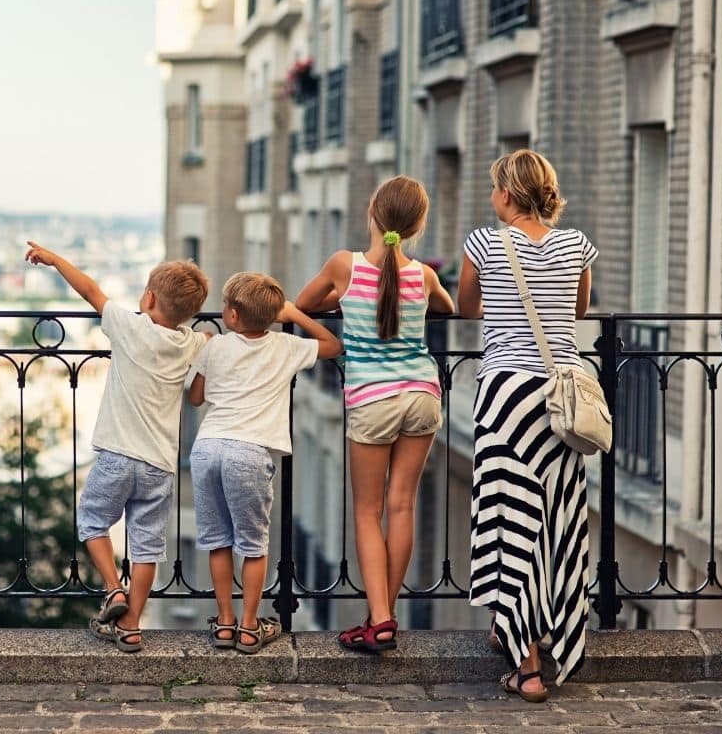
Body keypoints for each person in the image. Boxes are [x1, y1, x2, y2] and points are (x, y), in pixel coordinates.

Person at [457, 149, 597, 702]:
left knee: (508, 516)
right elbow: (580, 311)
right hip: (561, 399)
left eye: (496, 189)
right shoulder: (577, 245)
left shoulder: (485, 243)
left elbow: (469, 308)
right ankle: (542, 635)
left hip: (506, 397)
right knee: (553, 522)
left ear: (508, 196)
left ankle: (528, 666)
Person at [25, 241, 209, 652]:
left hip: (116, 453)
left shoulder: (129, 325)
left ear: (148, 297)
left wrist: (55, 260)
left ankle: (113, 588)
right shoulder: (193, 343)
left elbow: (90, 290)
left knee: (92, 522)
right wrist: (207, 340)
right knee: (147, 545)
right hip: (160, 463)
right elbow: (197, 396)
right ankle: (131, 626)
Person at [296, 176, 454, 652]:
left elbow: (303, 305)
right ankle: (385, 614)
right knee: (403, 504)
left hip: (371, 399)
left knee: (368, 511)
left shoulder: (343, 265)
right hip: (423, 394)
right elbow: (446, 306)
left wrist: (344, 298)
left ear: (372, 210)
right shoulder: (424, 274)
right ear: (418, 225)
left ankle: (380, 618)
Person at [188, 272, 341, 653]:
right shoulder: (286, 346)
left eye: (225, 306)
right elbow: (332, 344)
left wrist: (205, 353)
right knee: (253, 545)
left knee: (217, 540)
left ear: (234, 316)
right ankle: (249, 625)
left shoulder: (215, 346)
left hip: (207, 447)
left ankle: (224, 623)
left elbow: (195, 398)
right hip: (248, 451)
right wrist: (294, 314)